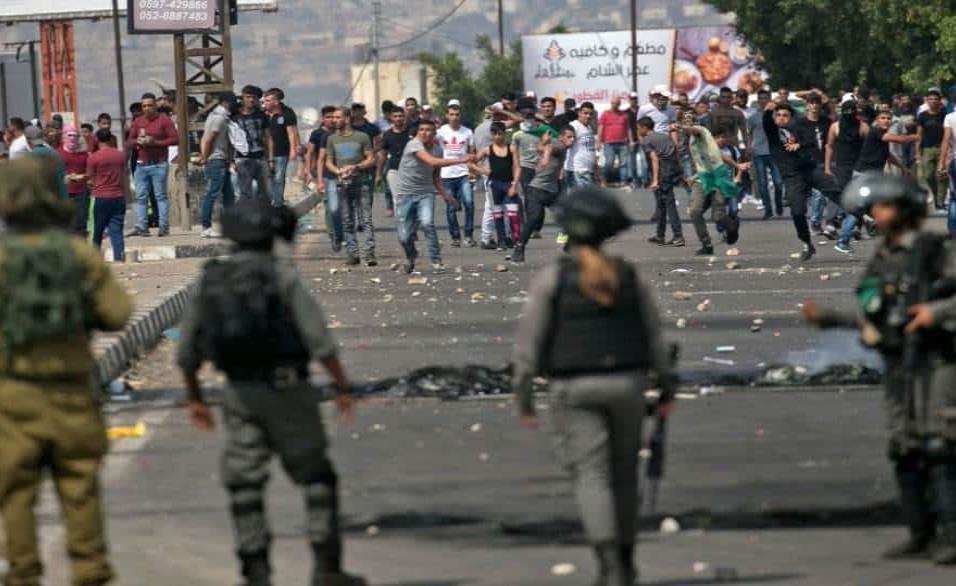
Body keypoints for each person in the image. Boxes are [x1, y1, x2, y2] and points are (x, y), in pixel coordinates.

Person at [176, 197, 367, 586]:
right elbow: (320, 341)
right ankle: (327, 569)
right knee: (316, 476)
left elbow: (186, 352)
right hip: (289, 391)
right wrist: (342, 386)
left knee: (245, 484)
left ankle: (255, 570)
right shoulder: (282, 276)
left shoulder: (210, 279)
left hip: (238, 394)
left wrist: (196, 398)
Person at [512, 186, 674, 586]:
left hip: (574, 386)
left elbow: (528, 345)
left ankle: (609, 565)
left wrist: (524, 396)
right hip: (628, 383)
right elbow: (654, 337)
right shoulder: (627, 275)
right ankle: (626, 556)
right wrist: (666, 386)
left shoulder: (554, 278)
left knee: (592, 475)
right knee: (624, 475)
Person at [803, 173, 956, 566]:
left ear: (904, 210)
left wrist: (933, 313)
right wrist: (831, 318)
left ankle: (951, 534)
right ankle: (920, 531)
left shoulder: (936, 251)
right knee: (904, 444)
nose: (876, 213)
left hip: (937, 359)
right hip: (898, 360)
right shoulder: (883, 257)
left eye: (884, 206)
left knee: (940, 443)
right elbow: (875, 312)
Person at [0, 157, 133, 586]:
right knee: (79, 487)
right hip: (73, 392)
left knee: (16, 492)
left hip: (13, 394)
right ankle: (90, 572)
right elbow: (118, 314)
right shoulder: (77, 255)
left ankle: (22, 574)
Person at [764, 100, 841, 260]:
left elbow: (812, 143)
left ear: (791, 117)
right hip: (792, 177)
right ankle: (807, 243)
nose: (781, 118)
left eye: (785, 115)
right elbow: (767, 123)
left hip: (809, 170)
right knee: (797, 212)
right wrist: (767, 111)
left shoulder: (797, 128)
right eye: (778, 115)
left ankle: (866, 216)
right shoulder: (773, 133)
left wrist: (800, 145)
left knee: (836, 191)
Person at [393, 119, 470, 274]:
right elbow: (430, 161)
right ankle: (411, 256)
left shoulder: (437, 149)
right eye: (421, 129)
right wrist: (461, 159)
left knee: (428, 224)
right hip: (405, 194)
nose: (424, 133)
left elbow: (435, 176)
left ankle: (436, 260)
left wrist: (446, 195)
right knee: (404, 236)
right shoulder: (414, 144)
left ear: (434, 134)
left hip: (425, 193)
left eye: (428, 130)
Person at [511, 126, 575, 263]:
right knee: (533, 219)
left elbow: (540, 148)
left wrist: (544, 144)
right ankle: (519, 247)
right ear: (562, 137)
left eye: (573, 137)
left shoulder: (556, 144)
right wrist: (546, 156)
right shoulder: (560, 146)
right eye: (569, 137)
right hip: (537, 189)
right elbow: (549, 149)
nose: (572, 140)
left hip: (551, 191)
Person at [678, 110, 737, 255]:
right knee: (694, 211)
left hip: (717, 178)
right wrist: (693, 177)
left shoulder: (701, 131)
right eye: (685, 119)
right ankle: (706, 243)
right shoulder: (692, 139)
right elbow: (718, 156)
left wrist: (680, 126)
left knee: (717, 216)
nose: (688, 123)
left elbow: (693, 129)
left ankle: (731, 225)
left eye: (691, 119)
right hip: (702, 179)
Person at [324, 107, 376, 266]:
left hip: (361, 183)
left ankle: (369, 253)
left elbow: (371, 159)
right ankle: (353, 254)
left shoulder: (362, 137)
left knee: (365, 219)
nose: (334, 120)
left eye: (338, 117)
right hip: (343, 184)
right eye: (333, 117)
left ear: (347, 119)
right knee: (347, 220)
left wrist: (356, 167)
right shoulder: (332, 139)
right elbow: (328, 161)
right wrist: (338, 171)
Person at [126, 92, 177, 237]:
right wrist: (138, 141)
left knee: (160, 195)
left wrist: (155, 142)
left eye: (149, 105)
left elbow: (175, 139)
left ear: (155, 105)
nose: (147, 108)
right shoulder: (138, 122)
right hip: (142, 164)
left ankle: (164, 226)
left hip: (159, 164)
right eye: (144, 106)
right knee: (141, 197)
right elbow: (129, 141)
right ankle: (142, 226)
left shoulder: (164, 120)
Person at [472, 121, 520, 250]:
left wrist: (515, 184)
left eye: (500, 134)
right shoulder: (487, 150)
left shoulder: (511, 148)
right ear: (491, 135)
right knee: (497, 215)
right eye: (495, 134)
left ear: (504, 134)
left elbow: (517, 167)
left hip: (509, 183)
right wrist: (483, 170)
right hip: (494, 184)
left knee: (513, 214)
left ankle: (517, 241)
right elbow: (471, 163)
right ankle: (502, 241)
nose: (498, 137)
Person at [638, 116, 684, 246]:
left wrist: (654, 180)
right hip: (672, 168)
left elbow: (654, 159)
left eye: (639, 128)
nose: (638, 130)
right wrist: (680, 171)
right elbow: (675, 151)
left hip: (663, 171)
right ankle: (660, 235)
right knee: (661, 204)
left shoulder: (647, 140)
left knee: (669, 204)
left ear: (645, 128)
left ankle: (678, 236)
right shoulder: (664, 136)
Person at [436, 100, 476, 247]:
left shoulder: (467, 132)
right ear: (447, 115)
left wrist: (472, 171)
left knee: (469, 202)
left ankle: (469, 235)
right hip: (446, 174)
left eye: (457, 114)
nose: (454, 117)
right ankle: (455, 237)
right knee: (451, 207)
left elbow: (471, 153)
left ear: (461, 115)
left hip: (463, 173)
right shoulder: (440, 132)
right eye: (451, 114)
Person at [198, 91, 238, 239]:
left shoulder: (218, 116)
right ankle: (206, 227)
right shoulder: (219, 119)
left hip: (222, 160)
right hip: (216, 160)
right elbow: (208, 140)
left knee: (229, 195)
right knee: (213, 193)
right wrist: (205, 157)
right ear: (226, 102)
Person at [87, 129, 130, 262]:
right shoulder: (121, 155)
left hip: (100, 197)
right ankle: (119, 258)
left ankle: (94, 261)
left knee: (97, 232)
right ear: (111, 139)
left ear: (97, 140)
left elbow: (89, 179)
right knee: (116, 231)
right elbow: (125, 174)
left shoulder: (93, 157)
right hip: (118, 196)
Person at [233, 85, 274, 202]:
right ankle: (245, 218)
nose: (250, 100)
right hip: (242, 159)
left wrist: (270, 160)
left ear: (257, 99)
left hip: (260, 158)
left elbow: (268, 138)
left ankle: (264, 217)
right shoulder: (235, 117)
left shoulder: (262, 116)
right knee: (245, 193)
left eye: (253, 97)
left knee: (266, 192)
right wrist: (231, 161)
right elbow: (229, 139)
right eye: (248, 97)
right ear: (243, 98)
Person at [748, 89, 784, 218]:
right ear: (758, 101)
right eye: (761, 98)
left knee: (778, 182)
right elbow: (750, 134)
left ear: (769, 99)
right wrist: (749, 148)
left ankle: (779, 203)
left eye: (766, 98)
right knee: (762, 183)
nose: (763, 101)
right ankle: (768, 209)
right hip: (758, 152)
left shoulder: (777, 115)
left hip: (774, 151)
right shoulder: (753, 117)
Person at [263, 88, 299, 206]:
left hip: (282, 151)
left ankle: (277, 202)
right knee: (267, 178)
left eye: (268, 100)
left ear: (276, 102)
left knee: (278, 178)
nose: (265, 103)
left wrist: (293, 150)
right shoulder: (263, 113)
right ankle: (269, 201)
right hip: (266, 153)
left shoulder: (287, 113)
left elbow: (292, 133)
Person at [376, 105, 411, 219]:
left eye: (400, 116)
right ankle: (403, 228)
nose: (398, 118)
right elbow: (382, 154)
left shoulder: (411, 133)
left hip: (411, 170)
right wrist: (379, 174)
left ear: (404, 117)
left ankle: (411, 225)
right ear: (391, 118)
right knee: (398, 200)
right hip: (394, 170)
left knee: (411, 199)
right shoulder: (387, 135)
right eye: (395, 116)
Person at [917, 88, 949, 210]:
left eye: (936, 99)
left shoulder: (945, 114)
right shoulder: (922, 116)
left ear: (939, 101)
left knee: (941, 176)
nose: (933, 101)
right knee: (928, 175)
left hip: (942, 148)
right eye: (930, 99)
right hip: (927, 149)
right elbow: (919, 135)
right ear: (927, 101)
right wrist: (917, 151)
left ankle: (940, 202)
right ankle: (936, 195)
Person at [58, 125, 91, 237]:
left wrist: (83, 176)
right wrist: (66, 177)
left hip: (81, 192)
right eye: (70, 135)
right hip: (64, 193)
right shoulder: (57, 153)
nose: (72, 138)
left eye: (75, 135)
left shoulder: (84, 155)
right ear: (64, 136)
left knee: (81, 223)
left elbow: (90, 173)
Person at [598, 97, 633, 186]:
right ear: (611, 103)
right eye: (613, 103)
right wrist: (598, 141)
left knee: (624, 163)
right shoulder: (605, 114)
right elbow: (600, 128)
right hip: (609, 143)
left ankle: (623, 181)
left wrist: (631, 141)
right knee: (609, 162)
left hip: (622, 143)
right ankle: (604, 179)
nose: (615, 105)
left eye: (617, 103)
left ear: (619, 104)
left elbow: (628, 129)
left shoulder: (624, 115)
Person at [936, 103, 956, 237]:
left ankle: (953, 229)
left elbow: (946, 140)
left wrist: (941, 162)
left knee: (954, 197)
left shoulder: (950, 117)